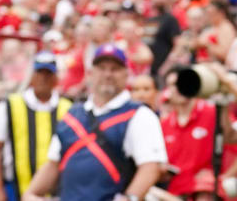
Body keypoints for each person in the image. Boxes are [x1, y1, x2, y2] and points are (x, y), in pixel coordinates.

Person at [21, 45, 167, 201]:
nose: (107, 74)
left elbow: (150, 167)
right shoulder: (73, 114)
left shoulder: (139, 115)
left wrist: (129, 198)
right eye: (102, 68)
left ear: (126, 74)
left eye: (114, 69)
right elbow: (53, 163)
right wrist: (31, 194)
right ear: (91, 74)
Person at [0, 52, 71, 201]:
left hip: (56, 192)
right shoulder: (10, 105)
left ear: (56, 78)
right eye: (40, 73)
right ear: (32, 76)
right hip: (15, 189)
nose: (44, 78)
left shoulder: (68, 109)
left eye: (48, 74)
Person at [160, 66, 237, 199]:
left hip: (206, 190)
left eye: (181, 82)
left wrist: (225, 178)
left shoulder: (212, 111)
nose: (177, 88)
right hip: (175, 193)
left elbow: (231, 137)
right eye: (172, 84)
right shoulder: (164, 124)